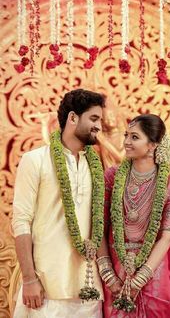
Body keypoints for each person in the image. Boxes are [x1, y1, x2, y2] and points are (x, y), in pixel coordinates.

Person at [12, 88, 106, 318]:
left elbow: (99, 224)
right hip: (45, 288)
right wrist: (29, 278)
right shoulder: (35, 160)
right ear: (73, 118)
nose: (99, 127)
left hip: (88, 288)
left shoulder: (95, 167)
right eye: (94, 119)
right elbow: (21, 221)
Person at [97, 114, 170, 318]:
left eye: (135, 137)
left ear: (152, 145)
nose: (126, 142)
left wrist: (140, 280)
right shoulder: (111, 177)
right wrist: (108, 275)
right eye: (126, 135)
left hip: (153, 273)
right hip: (115, 271)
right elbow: (99, 228)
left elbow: (167, 237)